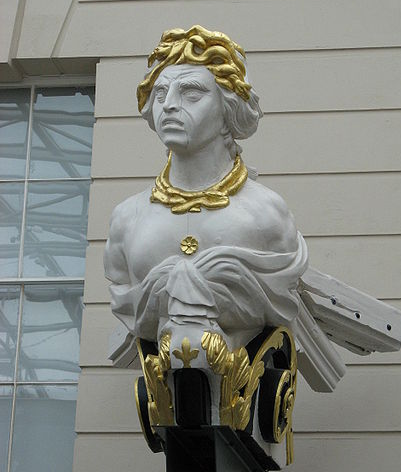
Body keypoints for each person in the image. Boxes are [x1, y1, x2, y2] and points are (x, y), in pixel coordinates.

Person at [104, 25, 308, 371]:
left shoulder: (266, 214)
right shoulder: (126, 220)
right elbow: (126, 295)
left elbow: (282, 298)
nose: (169, 105)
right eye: (161, 93)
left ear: (228, 108)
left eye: (191, 93)